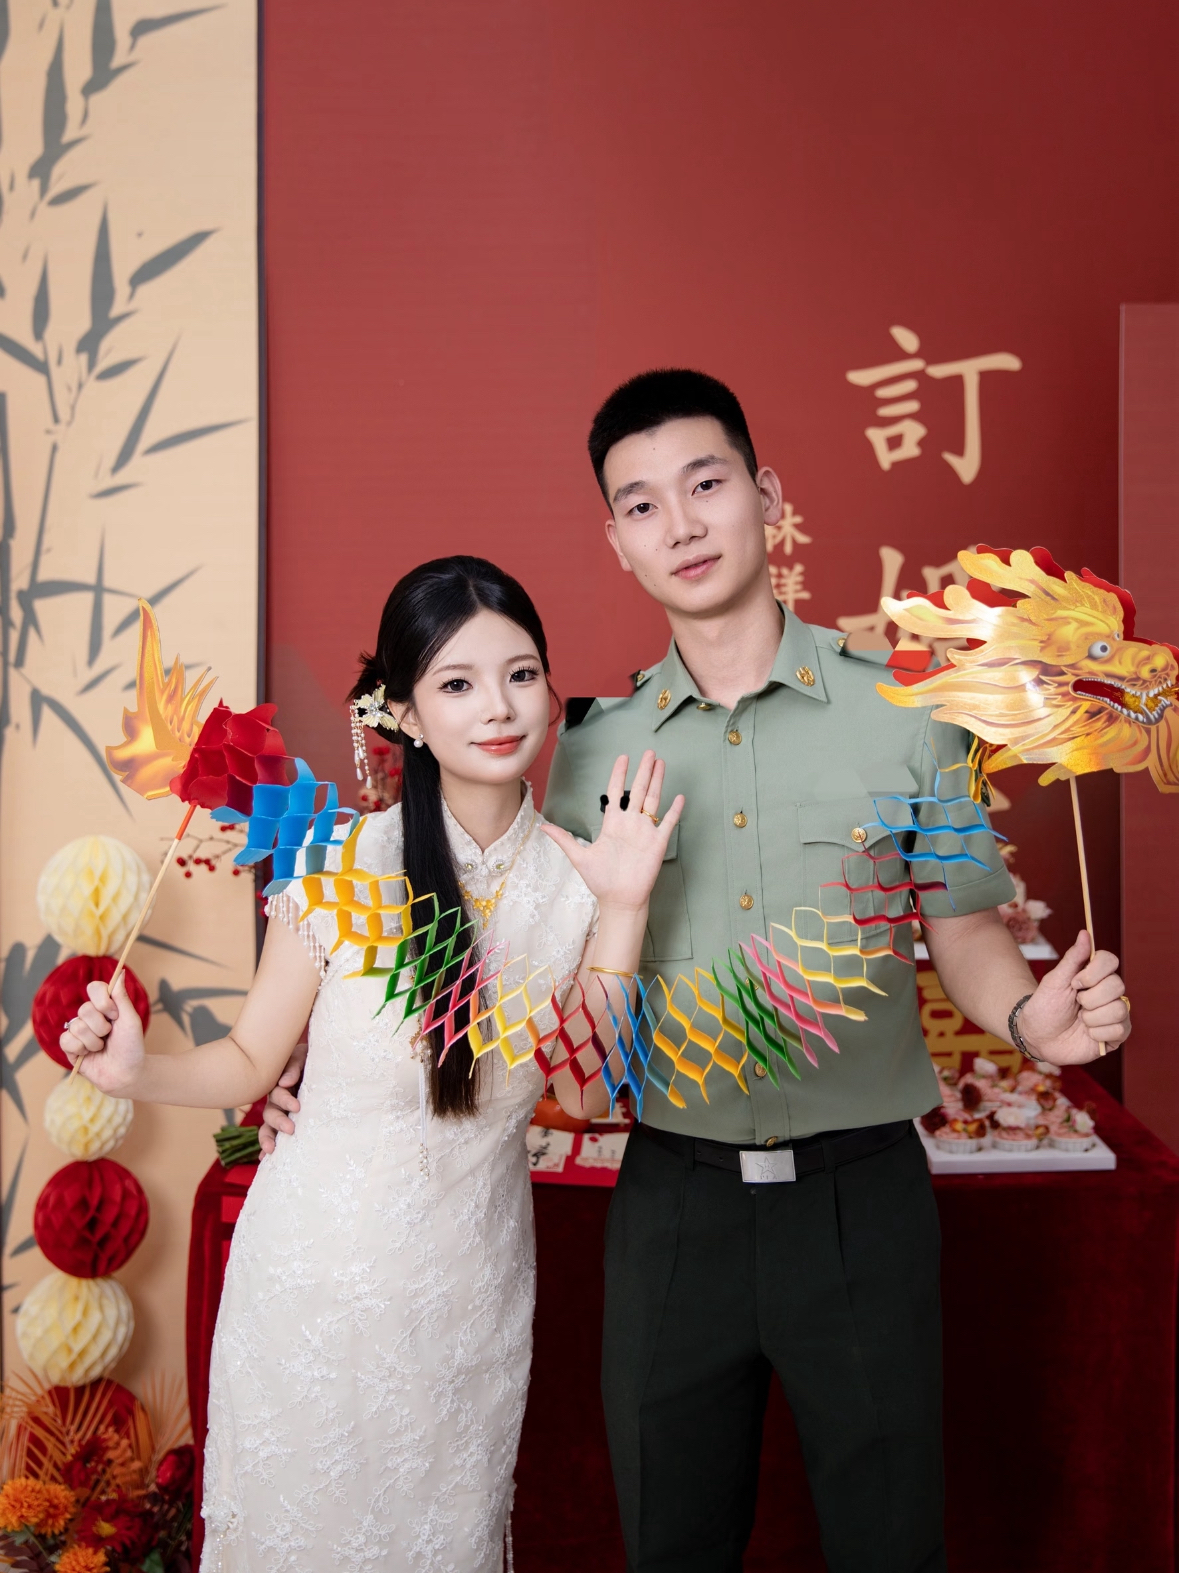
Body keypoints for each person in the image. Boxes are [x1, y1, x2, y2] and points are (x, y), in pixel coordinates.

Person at [537, 369, 1132, 1573]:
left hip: (862, 1202)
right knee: (671, 1545)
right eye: (643, 505)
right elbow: (568, 985)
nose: (682, 524)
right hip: (673, 1205)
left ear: (766, 495)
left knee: (889, 1543)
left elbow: (961, 927)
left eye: (706, 485)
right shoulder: (592, 745)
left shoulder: (909, 714)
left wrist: (1030, 1017)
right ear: (618, 542)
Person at [60, 555, 682, 1573]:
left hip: (471, 1296)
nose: (498, 706)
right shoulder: (339, 865)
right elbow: (250, 1058)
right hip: (311, 1285)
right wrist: (137, 1073)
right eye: (457, 682)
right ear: (403, 712)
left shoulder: (581, 879)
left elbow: (581, 1091)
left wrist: (622, 910)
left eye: (521, 674)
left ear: (550, 689)